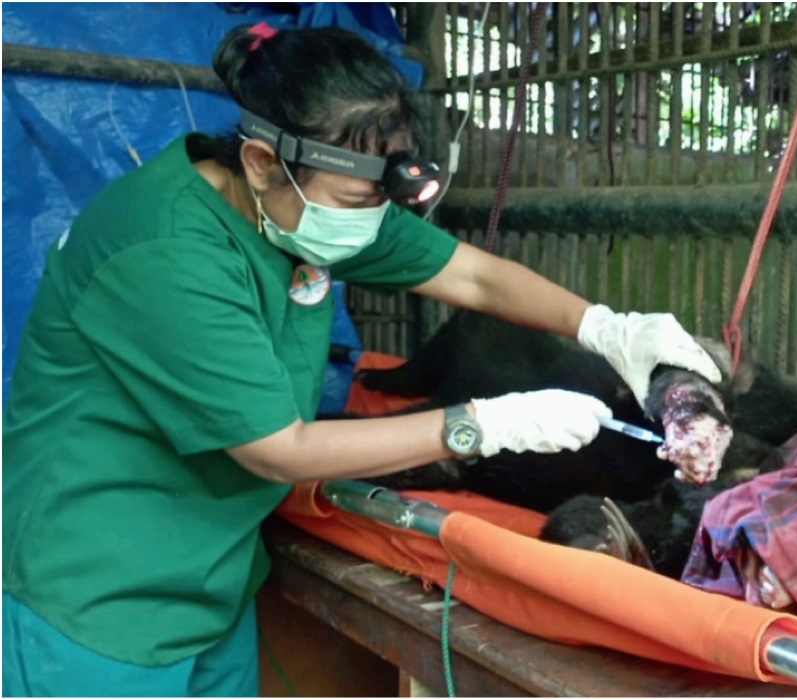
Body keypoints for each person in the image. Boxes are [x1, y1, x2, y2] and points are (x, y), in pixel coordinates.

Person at [1, 22, 721, 698]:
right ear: (259, 161)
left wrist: (605, 326)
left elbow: (471, 276)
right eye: (355, 199)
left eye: (379, 200)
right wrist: (478, 425)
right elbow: (280, 448)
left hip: (208, 578)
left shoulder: (307, 209)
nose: (368, 223)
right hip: (91, 593)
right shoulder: (169, 250)